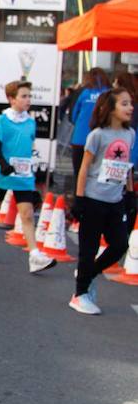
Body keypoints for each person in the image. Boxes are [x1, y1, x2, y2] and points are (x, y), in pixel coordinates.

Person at [0, 81, 57, 273]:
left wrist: (33, 168)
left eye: (29, 96)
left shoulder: (30, 122)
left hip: (24, 175)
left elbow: (29, 146)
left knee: (27, 214)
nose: (28, 100)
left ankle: (35, 255)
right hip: (4, 173)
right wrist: (3, 164)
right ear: (12, 99)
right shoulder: (2, 121)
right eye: (24, 96)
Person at [69, 88, 135, 315]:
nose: (130, 108)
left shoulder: (130, 134)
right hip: (93, 198)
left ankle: (89, 274)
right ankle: (79, 295)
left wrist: (130, 194)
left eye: (131, 103)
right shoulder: (97, 135)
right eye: (125, 104)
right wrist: (78, 199)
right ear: (111, 108)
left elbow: (126, 166)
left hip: (115, 200)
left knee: (119, 245)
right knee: (89, 249)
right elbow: (85, 167)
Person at [69, 67, 111, 181]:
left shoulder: (82, 92)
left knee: (79, 175)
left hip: (80, 138)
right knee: (99, 176)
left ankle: (78, 197)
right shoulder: (109, 93)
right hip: (104, 139)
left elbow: (72, 115)